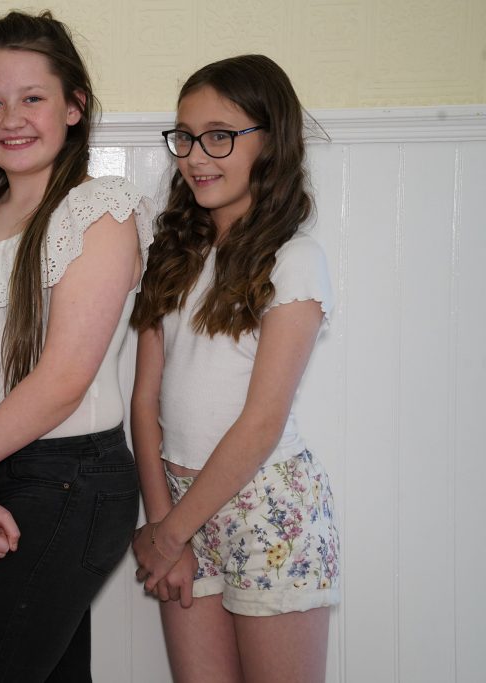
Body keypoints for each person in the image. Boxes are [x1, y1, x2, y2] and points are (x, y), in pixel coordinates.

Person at [0, 10, 152, 681]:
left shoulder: (98, 212)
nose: (11, 118)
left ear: (74, 106)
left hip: (74, 477)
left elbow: (64, 378)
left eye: (33, 98)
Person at [130, 54, 341, 683]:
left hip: (267, 508)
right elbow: (144, 402)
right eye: (186, 137)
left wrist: (169, 536)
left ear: (270, 141)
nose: (196, 156)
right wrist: (162, 521)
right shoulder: (173, 255)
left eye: (219, 136)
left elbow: (261, 422)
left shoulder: (294, 260)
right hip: (178, 505)